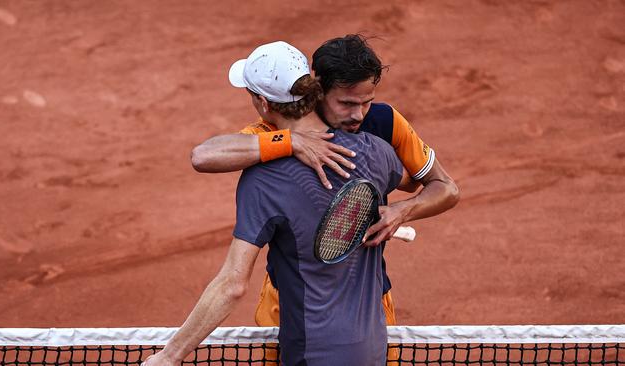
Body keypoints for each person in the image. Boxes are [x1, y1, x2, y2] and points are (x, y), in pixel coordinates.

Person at [143, 41, 412, 366]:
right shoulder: (378, 153)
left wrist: (170, 356)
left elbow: (232, 285)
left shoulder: (264, 180)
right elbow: (414, 180)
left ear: (262, 102)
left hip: (310, 355)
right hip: (372, 352)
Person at [190, 34, 460, 345]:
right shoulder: (277, 128)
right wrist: (292, 142)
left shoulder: (384, 122)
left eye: (366, 101)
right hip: (286, 304)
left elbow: (445, 187)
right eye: (346, 103)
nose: (358, 114)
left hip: (368, 302)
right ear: (318, 90)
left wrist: (402, 210)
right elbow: (205, 155)